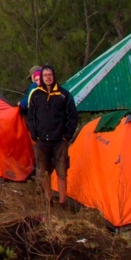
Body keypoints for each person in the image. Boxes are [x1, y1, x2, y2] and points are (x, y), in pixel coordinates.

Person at [25, 65, 79, 211]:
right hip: (42, 140)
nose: (48, 77)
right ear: (41, 78)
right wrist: (33, 133)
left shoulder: (64, 95)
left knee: (62, 171)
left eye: (50, 75)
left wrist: (67, 135)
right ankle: (48, 198)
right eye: (45, 75)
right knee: (43, 171)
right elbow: (30, 117)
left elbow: (73, 116)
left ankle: (62, 201)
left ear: (54, 76)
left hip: (60, 140)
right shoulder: (36, 95)